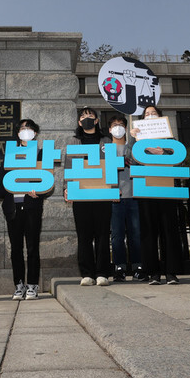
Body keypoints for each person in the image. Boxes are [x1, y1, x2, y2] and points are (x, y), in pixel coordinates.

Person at [0, 119, 47, 300]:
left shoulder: (41, 154)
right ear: (17, 133)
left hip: (32, 206)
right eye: (22, 128)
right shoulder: (11, 154)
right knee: (16, 249)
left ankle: (33, 286)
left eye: (29, 128)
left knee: (33, 248)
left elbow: (47, 180)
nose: (25, 131)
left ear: (35, 133)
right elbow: (2, 181)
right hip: (13, 208)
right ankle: (19, 285)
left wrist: (40, 193)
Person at [131, 106, 182, 285]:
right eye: (146, 114)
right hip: (146, 190)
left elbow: (180, 158)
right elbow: (130, 159)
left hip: (167, 190)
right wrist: (134, 138)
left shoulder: (169, 139)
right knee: (148, 232)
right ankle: (152, 272)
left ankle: (171, 272)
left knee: (169, 231)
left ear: (160, 117)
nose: (150, 116)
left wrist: (164, 152)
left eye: (153, 113)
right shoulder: (137, 139)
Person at [66, 107, 112, 286]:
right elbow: (68, 166)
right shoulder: (73, 141)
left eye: (90, 116)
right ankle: (86, 273)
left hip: (102, 193)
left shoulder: (106, 141)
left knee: (102, 234)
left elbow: (111, 166)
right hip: (81, 193)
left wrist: (114, 188)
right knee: (83, 235)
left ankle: (102, 273)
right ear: (79, 122)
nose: (86, 118)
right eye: (83, 116)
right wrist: (67, 187)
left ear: (96, 120)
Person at [108, 114, 143, 282]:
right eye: (114, 125)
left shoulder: (133, 146)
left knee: (136, 234)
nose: (118, 127)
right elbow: (101, 174)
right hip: (115, 198)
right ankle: (119, 268)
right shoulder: (105, 149)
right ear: (109, 129)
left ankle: (138, 267)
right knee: (117, 235)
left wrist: (134, 139)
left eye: (121, 124)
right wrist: (112, 190)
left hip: (134, 195)